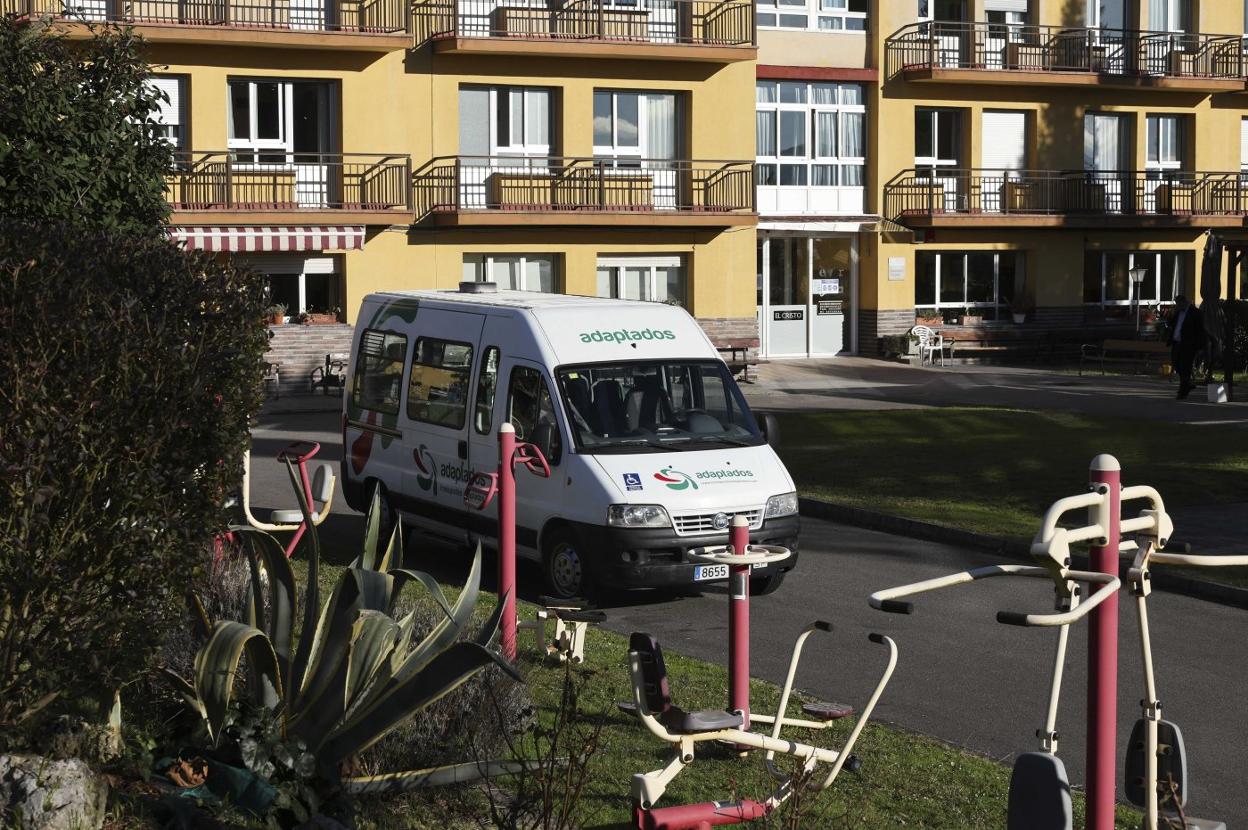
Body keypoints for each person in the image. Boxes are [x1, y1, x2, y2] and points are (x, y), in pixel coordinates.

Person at [1167, 295, 1204, 399]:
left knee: (1185, 367)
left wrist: (1200, 347)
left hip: (1188, 345)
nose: (1177, 306)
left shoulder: (1195, 312)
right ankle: (1188, 384)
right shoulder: (1178, 312)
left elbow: (1200, 330)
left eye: (1177, 304)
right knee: (1176, 364)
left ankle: (1182, 392)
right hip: (1176, 343)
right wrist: (1172, 314)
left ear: (1183, 302)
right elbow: (1171, 324)